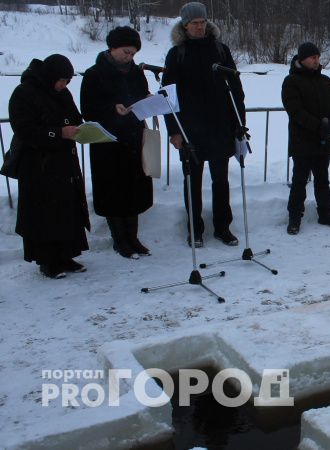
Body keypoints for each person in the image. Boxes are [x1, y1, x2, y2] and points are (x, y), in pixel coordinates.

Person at [162, 1, 244, 247]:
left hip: (220, 126)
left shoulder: (220, 50)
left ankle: (223, 227)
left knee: (221, 181)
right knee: (192, 181)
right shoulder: (177, 53)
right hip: (190, 129)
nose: (199, 27)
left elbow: (236, 89)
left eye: (202, 22)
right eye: (194, 23)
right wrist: (174, 131)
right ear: (184, 26)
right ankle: (195, 230)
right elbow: (168, 95)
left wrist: (239, 123)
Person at [9, 54, 90, 279]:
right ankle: (47, 261)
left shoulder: (62, 93)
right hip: (38, 164)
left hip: (64, 161)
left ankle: (67, 255)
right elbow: (23, 128)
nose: (64, 86)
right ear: (49, 76)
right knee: (44, 212)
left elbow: (74, 116)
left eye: (67, 82)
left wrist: (79, 128)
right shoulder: (24, 93)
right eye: (61, 81)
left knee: (67, 209)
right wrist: (57, 132)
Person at [81, 26, 153, 259]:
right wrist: (112, 109)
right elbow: (87, 109)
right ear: (111, 48)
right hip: (108, 143)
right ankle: (119, 240)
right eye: (125, 52)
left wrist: (149, 101)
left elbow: (141, 95)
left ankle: (133, 238)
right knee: (114, 193)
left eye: (133, 53)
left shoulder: (136, 72)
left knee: (134, 192)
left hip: (133, 139)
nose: (129, 57)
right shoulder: (94, 74)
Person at [282, 42, 330, 235]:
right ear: (302, 59)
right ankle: (294, 217)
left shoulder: (325, 81)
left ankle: (325, 213)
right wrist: (318, 126)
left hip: (324, 139)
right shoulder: (291, 81)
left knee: (322, 179)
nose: (316, 60)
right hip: (302, 140)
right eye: (312, 57)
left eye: (317, 57)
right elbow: (295, 111)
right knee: (299, 180)